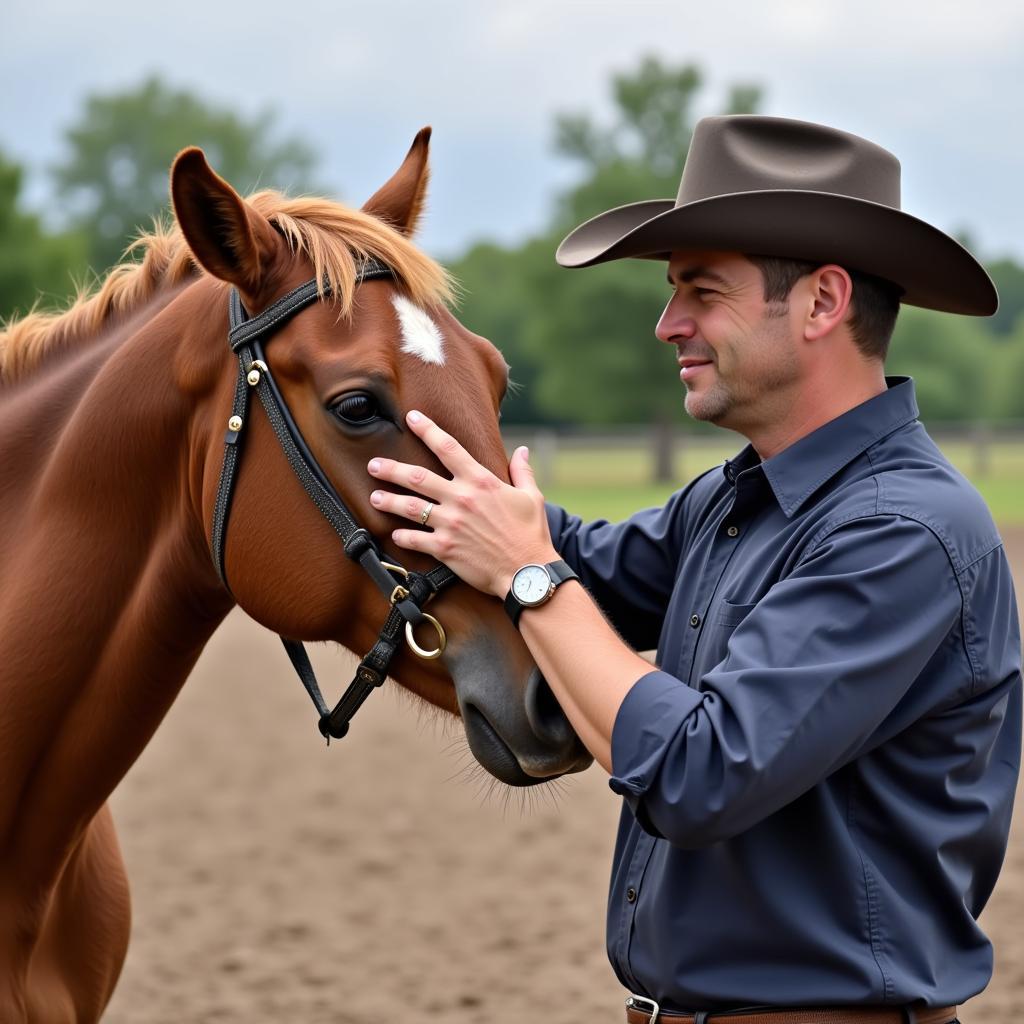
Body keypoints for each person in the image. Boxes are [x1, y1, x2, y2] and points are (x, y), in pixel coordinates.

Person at [366, 115, 1022, 1024]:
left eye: (701, 292)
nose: (669, 323)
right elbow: (579, 558)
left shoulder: (905, 533)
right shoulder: (732, 500)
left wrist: (527, 576)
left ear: (823, 303)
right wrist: (424, 470)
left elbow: (699, 771)